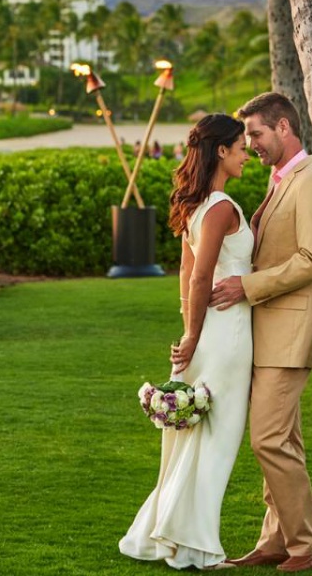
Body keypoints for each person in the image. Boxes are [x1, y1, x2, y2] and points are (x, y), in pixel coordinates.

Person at [208, 92, 312, 572]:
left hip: (290, 334)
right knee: (283, 440)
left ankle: (309, 543)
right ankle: (277, 538)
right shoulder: (280, 179)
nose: (252, 145)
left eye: (257, 134)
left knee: (267, 439)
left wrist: (247, 286)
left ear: (284, 127)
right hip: (266, 334)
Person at [119, 113, 253, 570]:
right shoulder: (220, 207)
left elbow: (185, 272)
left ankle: (175, 535)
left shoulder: (196, 205)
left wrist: (189, 330)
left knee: (199, 435)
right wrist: (193, 335)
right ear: (221, 150)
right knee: (218, 440)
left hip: (209, 332)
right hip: (227, 333)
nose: (246, 155)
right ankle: (196, 546)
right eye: (240, 148)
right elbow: (197, 276)